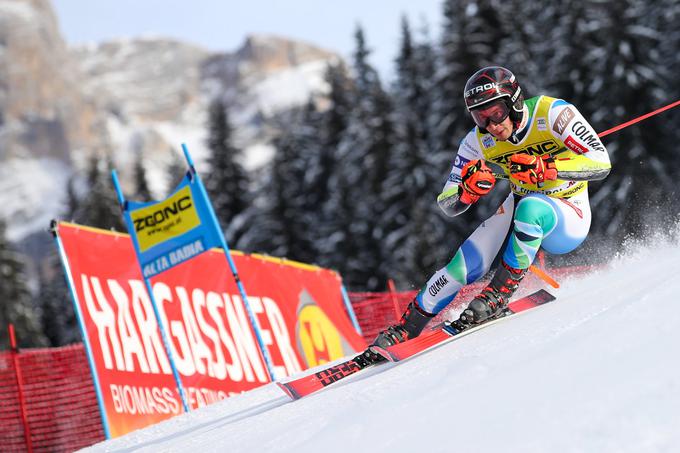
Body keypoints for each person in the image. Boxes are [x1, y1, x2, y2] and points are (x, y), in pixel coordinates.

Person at [372, 66, 611, 348]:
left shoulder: (553, 113)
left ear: (515, 101)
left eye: (496, 113)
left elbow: (600, 162)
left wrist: (548, 169)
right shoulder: (477, 141)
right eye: (480, 117)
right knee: (466, 261)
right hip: (520, 203)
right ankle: (407, 327)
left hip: (568, 213)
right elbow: (448, 202)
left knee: (531, 208)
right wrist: (466, 191)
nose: (492, 125)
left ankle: (497, 295)